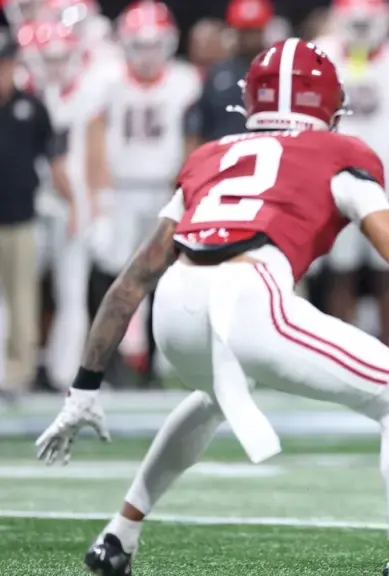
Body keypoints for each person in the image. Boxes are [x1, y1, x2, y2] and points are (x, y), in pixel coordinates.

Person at [33, 38, 389, 576]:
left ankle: (119, 535)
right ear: (329, 103)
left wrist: (84, 388)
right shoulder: (342, 153)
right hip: (248, 298)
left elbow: (136, 277)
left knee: (213, 395)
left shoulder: (210, 156)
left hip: (174, 308)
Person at [85, 1, 201, 380]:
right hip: (120, 191)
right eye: (140, 45)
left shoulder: (183, 79)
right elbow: (95, 135)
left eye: (155, 45)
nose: (148, 55)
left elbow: (190, 140)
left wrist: (186, 188)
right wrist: (99, 194)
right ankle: (109, 360)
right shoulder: (107, 78)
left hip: (164, 191)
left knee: (162, 277)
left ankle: (153, 361)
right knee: (112, 276)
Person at [312, 0, 389, 340]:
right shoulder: (325, 51)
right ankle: (342, 344)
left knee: (387, 267)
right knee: (340, 270)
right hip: (338, 174)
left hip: (385, 177)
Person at [17, 19, 108, 390]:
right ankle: (13, 366)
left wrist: (95, 204)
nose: (54, 67)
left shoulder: (87, 92)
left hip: (72, 201)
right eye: (47, 58)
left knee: (72, 291)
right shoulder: (17, 93)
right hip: (27, 199)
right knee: (15, 289)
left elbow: (95, 153)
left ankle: (64, 371)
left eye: (60, 58)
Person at [0, 25, 73, 397]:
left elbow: (55, 162)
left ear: (15, 64)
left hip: (21, 219)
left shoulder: (33, 108)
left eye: (4, 64)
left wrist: (75, 205)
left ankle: (19, 374)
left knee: (22, 299)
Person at [184, 0, 273, 154]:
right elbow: (198, 124)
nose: (249, 38)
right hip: (223, 156)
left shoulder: (277, 71)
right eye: (244, 30)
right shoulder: (217, 73)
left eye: (254, 30)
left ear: (264, 29)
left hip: (267, 154)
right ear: (235, 30)